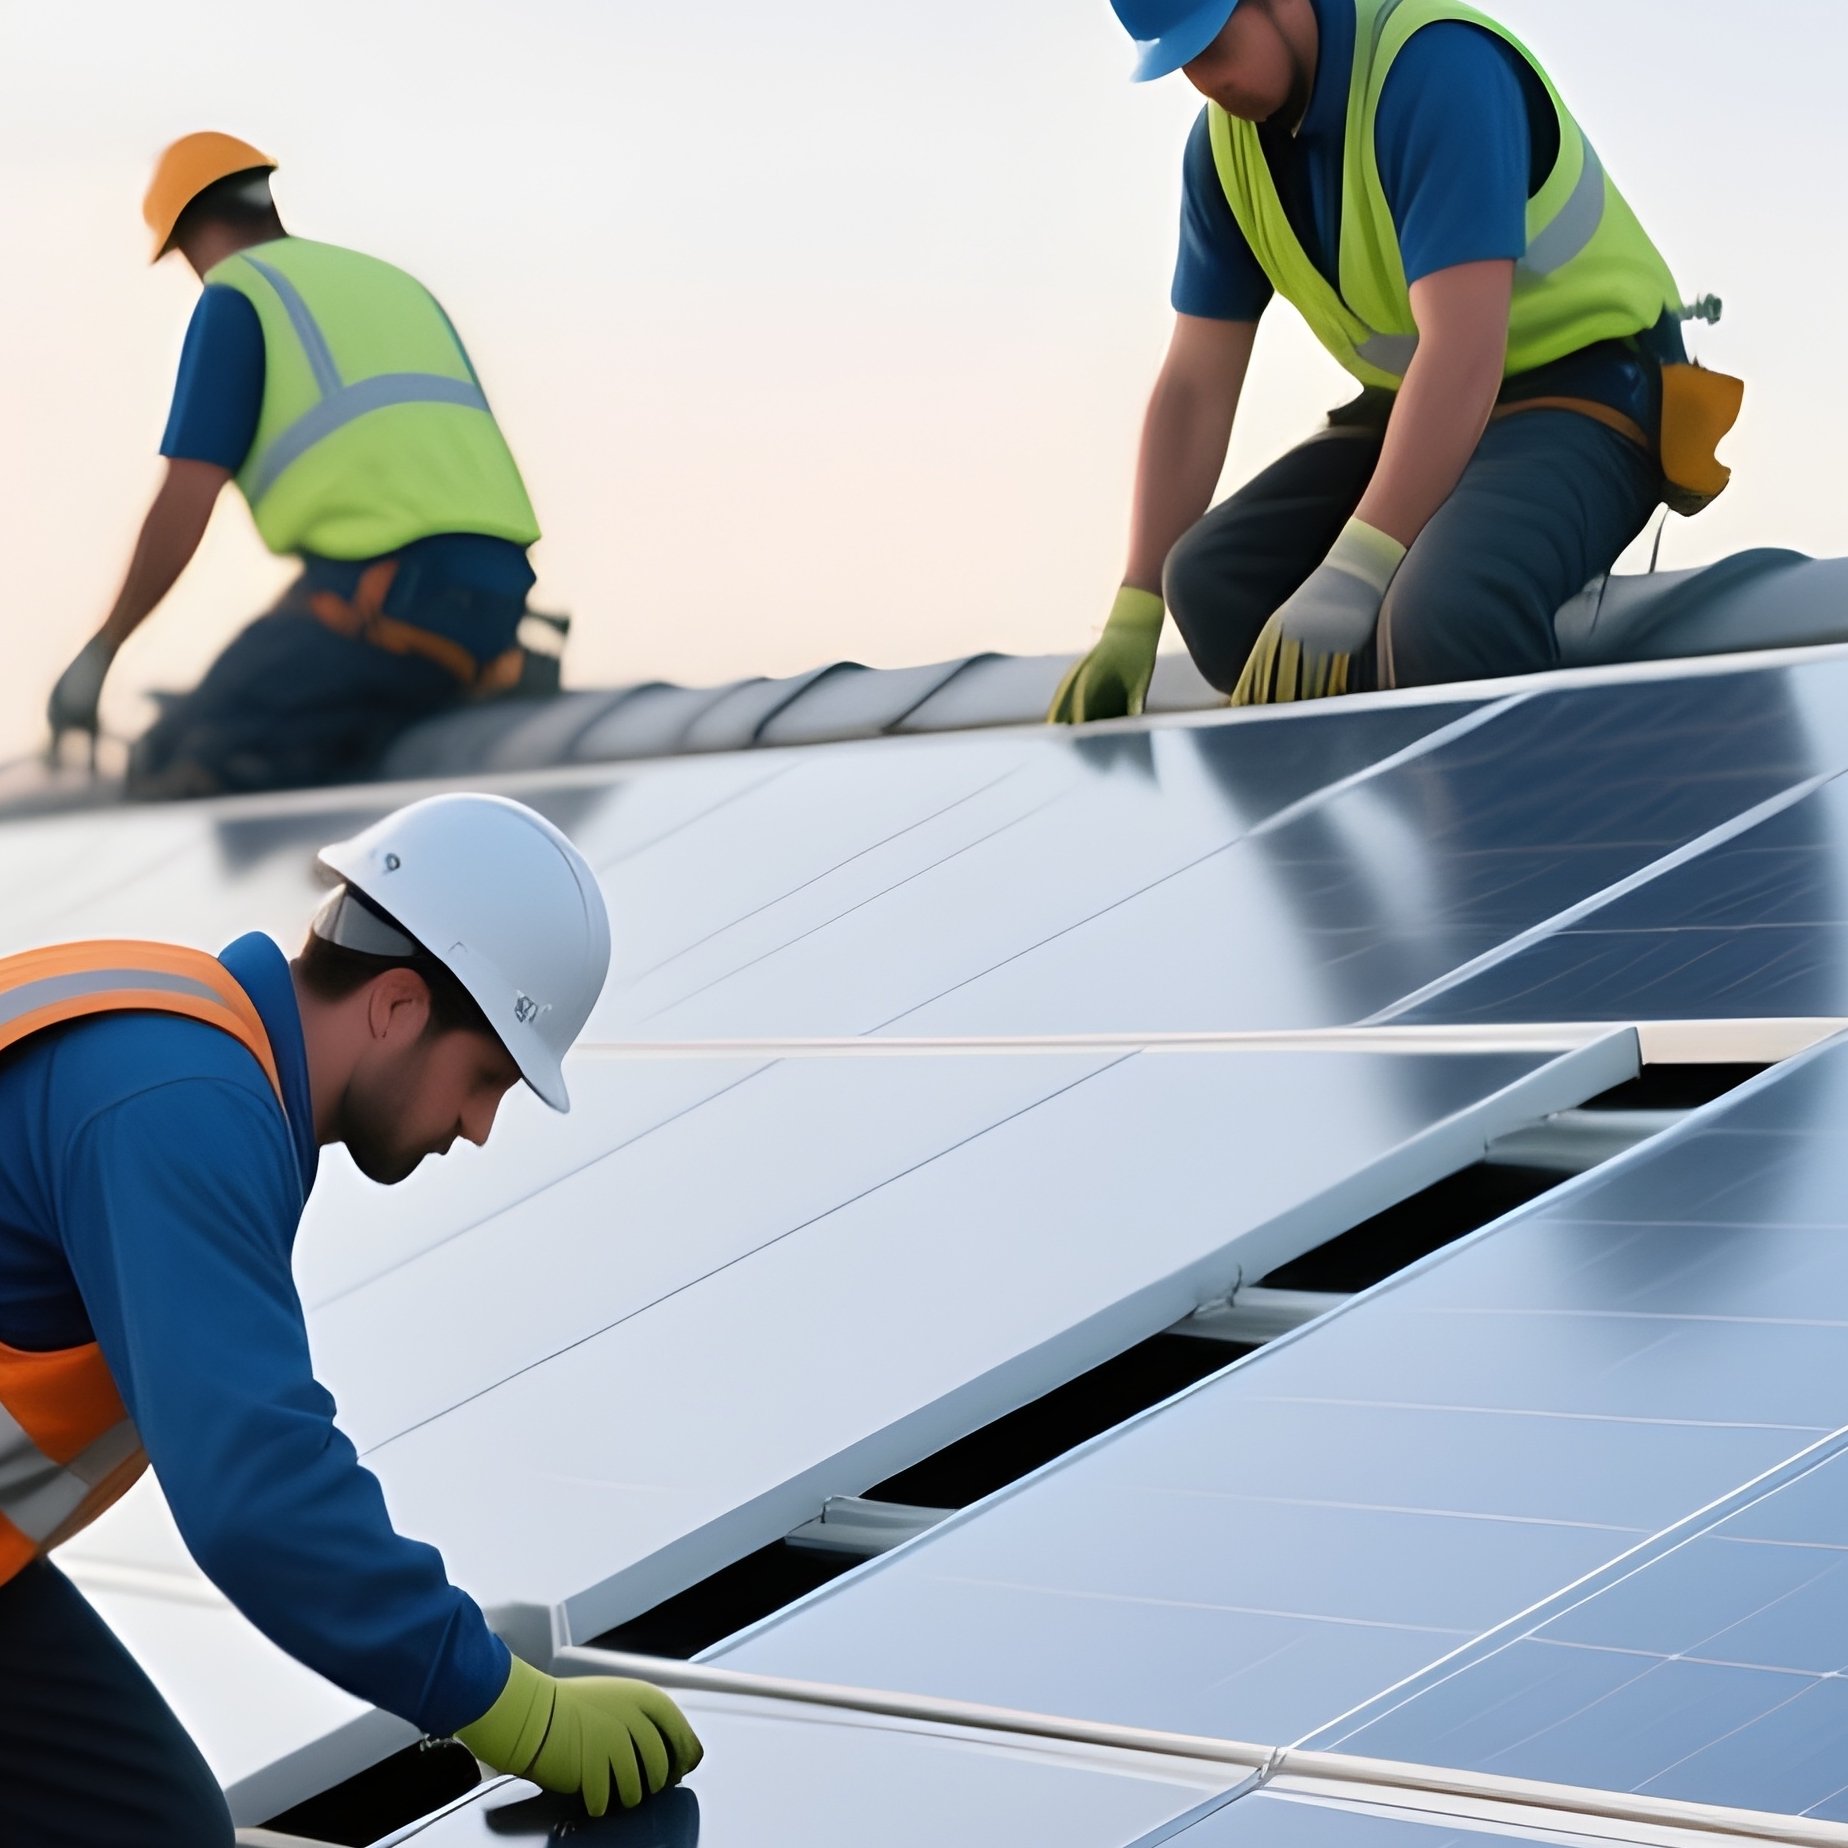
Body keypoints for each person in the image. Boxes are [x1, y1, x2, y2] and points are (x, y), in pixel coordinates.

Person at [0, 792, 702, 1842]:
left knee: (142, 1824)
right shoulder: (181, 1101)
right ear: (399, 1006)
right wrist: (505, 1705)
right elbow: (258, 1488)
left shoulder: (181, 1046)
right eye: (487, 1079)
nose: (477, 1128)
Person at [1049, 0, 1732, 721]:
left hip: (1588, 389)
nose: (1203, 79)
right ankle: (1401, 795)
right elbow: (1194, 384)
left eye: (1213, 44)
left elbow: (1465, 349)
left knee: (1447, 612)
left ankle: (1551, 816)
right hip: (1418, 399)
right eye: (1179, 59)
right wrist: (1137, 604)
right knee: (1213, 585)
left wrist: (1357, 566)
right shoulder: (1223, 156)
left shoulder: (1437, 70)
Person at [46, 133, 543, 797]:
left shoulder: (237, 296)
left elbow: (186, 498)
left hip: (393, 611)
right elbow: (403, 505)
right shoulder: (391, 284)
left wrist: (100, 653)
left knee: (177, 759)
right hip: (493, 611)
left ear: (190, 235)